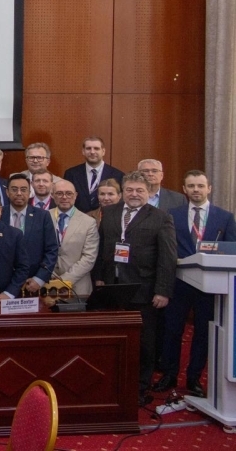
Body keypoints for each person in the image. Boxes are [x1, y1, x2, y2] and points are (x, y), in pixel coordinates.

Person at [93, 171, 177, 406]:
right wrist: (99, 278)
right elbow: (102, 249)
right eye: (129, 189)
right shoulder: (109, 213)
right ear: (123, 191)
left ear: (149, 192)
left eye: (140, 190)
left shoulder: (161, 217)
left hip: (144, 289)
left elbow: (168, 258)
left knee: (144, 342)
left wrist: (162, 291)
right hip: (112, 288)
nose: (134, 194)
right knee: (112, 339)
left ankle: (140, 388)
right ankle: (113, 385)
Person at [157, 170, 236, 397]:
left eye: (200, 186)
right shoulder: (172, 215)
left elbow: (232, 250)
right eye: (191, 186)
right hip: (179, 283)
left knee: (203, 332)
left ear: (209, 188)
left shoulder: (225, 218)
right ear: (184, 189)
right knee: (172, 330)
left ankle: (193, 378)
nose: (196, 190)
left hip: (210, 287)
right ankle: (170, 374)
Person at [3, 173, 59, 295]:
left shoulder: (42, 216)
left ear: (30, 192)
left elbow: (51, 250)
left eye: (23, 190)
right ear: (7, 192)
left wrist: (39, 279)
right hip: (2, 283)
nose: (19, 193)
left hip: (31, 283)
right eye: (14, 189)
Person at [48, 180, 99, 296]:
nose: (64, 197)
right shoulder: (42, 218)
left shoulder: (89, 222)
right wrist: (51, 277)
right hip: (47, 284)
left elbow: (89, 257)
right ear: (52, 196)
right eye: (59, 193)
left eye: (69, 193)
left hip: (78, 287)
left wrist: (64, 280)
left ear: (75, 196)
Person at [63, 137, 124, 213]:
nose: (92, 152)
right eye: (88, 148)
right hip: (78, 220)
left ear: (103, 151)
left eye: (96, 148)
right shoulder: (71, 174)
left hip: (107, 219)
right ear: (83, 151)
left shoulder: (118, 175)